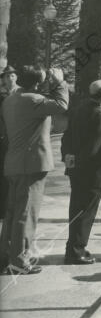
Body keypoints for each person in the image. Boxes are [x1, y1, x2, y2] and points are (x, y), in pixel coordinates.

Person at [0, 66, 69, 274]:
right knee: (26, 213)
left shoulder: (10, 99)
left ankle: (7, 256)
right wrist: (60, 82)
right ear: (37, 83)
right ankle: (19, 262)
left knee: (12, 213)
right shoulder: (33, 100)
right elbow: (61, 105)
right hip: (31, 164)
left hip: (13, 164)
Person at [62, 80, 101, 265]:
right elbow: (93, 148)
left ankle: (73, 247)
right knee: (86, 213)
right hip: (92, 173)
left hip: (76, 170)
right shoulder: (100, 115)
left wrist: (68, 156)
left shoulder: (79, 109)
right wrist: (81, 163)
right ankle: (77, 252)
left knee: (76, 209)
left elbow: (66, 136)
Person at [0, 66, 20, 221]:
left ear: (16, 77)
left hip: (16, 137)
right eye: (6, 77)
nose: (9, 79)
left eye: (11, 76)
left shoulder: (21, 93)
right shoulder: (1, 95)